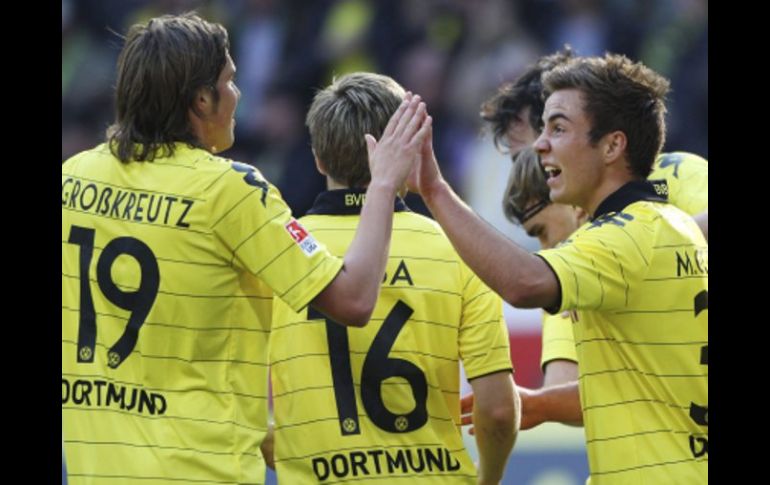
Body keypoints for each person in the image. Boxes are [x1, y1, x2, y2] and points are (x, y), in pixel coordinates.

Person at [62, 13, 430, 485]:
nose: (238, 97)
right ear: (201, 100)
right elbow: (355, 299)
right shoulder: (228, 190)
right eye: (230, 82)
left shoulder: (73, 179)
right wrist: (382, 184)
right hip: (205, 472)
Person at [409, 53, 708, 483]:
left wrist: (434, 190)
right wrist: (542, 403)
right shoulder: (656, 227)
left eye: (558, 129)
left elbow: (526, 282)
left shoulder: (622, 238)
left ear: (611, 145)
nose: (538, 151)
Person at [268, 72, 519, 485]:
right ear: (410, 149)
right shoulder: (461, 250)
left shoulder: (276, 249)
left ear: (317, 158)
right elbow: (497, 411)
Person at [480, 48, 708, 240]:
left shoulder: (670, 173)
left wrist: (644, 250)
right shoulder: (585, 243)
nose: (521, 176)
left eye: (556, 129)